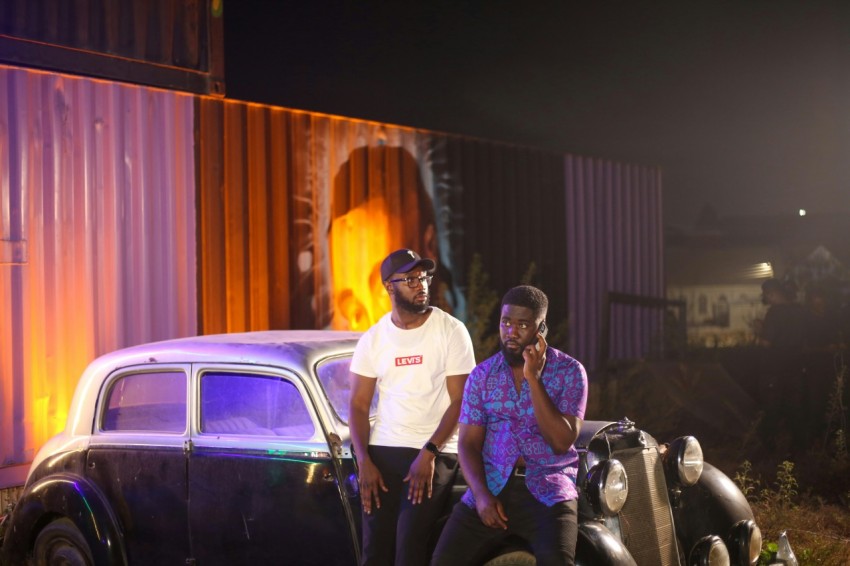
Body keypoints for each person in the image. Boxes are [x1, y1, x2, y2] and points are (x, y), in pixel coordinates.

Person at [431, 285, 588, 566]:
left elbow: (561, 441)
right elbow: (468, 443)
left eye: (522, 325)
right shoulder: (482, 375)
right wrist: (480, 497)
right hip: (491, 485)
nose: (511, 333)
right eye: (506, 323)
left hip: (549, 489)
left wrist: (533, 378)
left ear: (541, 329)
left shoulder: (570, 372)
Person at [349, 248, 477, 566]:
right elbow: (358, 404)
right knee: (374, 552)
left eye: (423, 276)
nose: (421, 284)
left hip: (435, 450)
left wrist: (430, 452)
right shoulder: (374, 338)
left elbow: (462, 400)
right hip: (383, 450)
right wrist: (363, 460)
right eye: (410, 279)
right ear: (389, 287)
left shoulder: (451, 330)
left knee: (408, 548)